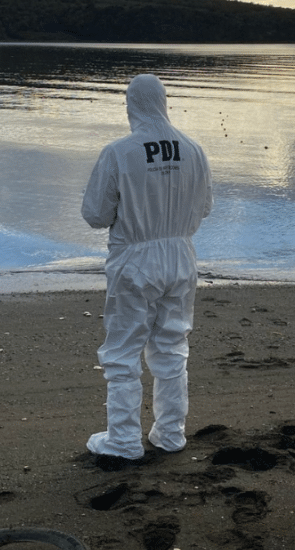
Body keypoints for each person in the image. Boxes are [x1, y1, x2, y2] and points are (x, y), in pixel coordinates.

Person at [81, 74, 213, 461]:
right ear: (164, 102)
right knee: (172, 346)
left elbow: (95, 214)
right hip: (181, 256)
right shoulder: (194, 149)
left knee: (122, 351)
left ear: (131, 106)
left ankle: (123, 439)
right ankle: (170, 433)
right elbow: (205, 207)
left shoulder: (120, 152)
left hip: (135, 258)